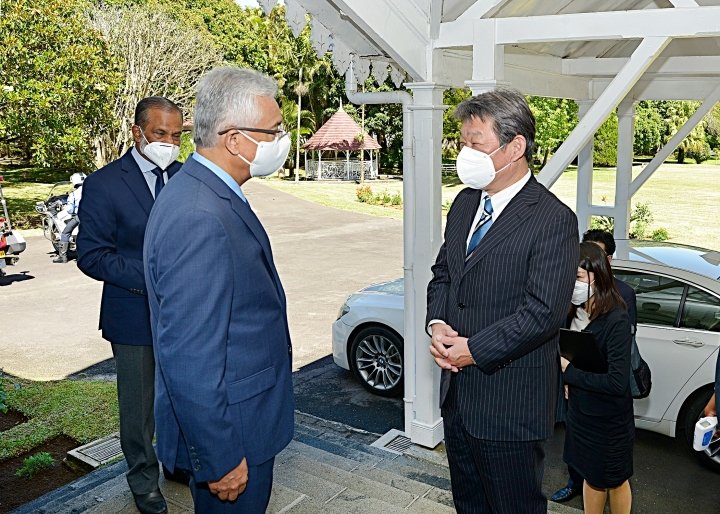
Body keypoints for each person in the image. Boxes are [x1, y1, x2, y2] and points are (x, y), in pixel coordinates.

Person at [143, 67, 294, 513]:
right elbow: (189, 356)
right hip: (232, 436)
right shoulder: (199, 216)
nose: (280, 141)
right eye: (273, 131)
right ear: (234, 139)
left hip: (243, 420)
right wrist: (220, 458)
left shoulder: (206, 192)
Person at [426, 88, 579, 513]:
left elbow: (543, 313)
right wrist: (436, 325)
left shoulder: (553, 219)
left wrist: (473, 350)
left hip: (510, 406)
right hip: (458, 400)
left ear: (516, 147)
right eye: (462, 143)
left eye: (476, 144)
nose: (465, 153)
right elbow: (444, 274)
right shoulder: (464, 203)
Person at [77, 96, 184, 514]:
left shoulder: (185, 176)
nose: (169, 143)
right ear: (137, 132)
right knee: (139, 410)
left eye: (176, 136)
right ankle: (144, 481)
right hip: (133, 315)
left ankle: (177, 464)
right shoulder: (104, 183)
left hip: (184, 315)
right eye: (160, 134)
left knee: (182, 395)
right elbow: (92, 255)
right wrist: (155, 276)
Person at [551, 228, 638, 503]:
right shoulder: (572, 310)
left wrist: (569, 373)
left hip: (608, 420)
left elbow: (616, 382)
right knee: (590, 476)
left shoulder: (616, 319)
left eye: (576, 278)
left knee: (613, 480)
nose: (571, 284)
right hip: (580, 413)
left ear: (597, 275)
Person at [53, 172, 85, 263]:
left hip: (80, 216)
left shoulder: (73, 194)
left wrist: (62, 213)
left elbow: (70, 210)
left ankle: (63, 257)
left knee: (66, 232)